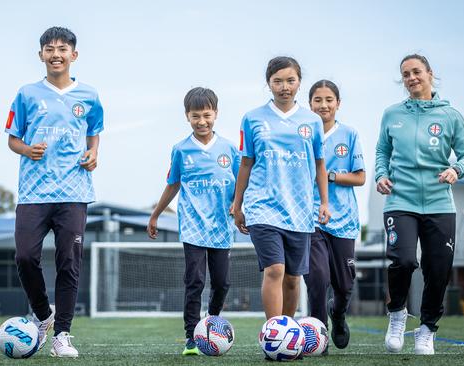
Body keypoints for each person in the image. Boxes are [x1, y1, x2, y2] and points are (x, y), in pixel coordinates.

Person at [5, 26, 103, 358]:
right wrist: (26, 149)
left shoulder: (88, 95)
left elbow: (94, 133)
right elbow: (12, 138)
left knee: (68, 263)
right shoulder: (26, 94)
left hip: (74, 192)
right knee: (25, 257)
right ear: (41, 55)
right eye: (49, 48)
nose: (56, 54)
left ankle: (62, 334)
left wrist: (93, 153)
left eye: (62, 48)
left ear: (74, 55)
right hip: (33, 192)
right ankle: (43, 314)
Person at [376, 54, 464, 355]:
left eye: (416, 72)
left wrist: (455, 170)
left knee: (438, 269)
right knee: (404, 260)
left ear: (430, 74)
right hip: (400, 200)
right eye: (405, 74)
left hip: (438, 203)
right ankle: (397, 314)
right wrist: (381, 174)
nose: (411, 78)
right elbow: (382, 151)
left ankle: (427, 328)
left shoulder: (451, 116)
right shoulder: (392, 114)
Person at [232, 56, 330, 324]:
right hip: (262, 206)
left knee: (292, 278)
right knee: (275, 269)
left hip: (299, 210)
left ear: (299, 83)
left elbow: (320, 164)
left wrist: (324, 202)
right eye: (277, 81)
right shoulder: (252, 119)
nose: (284, 86)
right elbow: (246, 162)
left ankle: (289, 332)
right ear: (268, 84)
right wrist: (237, 204)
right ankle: (274, 333)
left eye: (290, 80)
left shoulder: (312, 121)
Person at [148, 87, 239, 355]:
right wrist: (155, 214)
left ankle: (211, 323)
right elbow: (173, 184)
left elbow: (241, 183)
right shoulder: (181, 150)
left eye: (207, 115)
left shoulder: (230, 149)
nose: (202, 121)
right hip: (193, 227)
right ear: (187, 116)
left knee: (222, 282)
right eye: (195, 116)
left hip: (222, 228)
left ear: (216, 114)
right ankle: (191, 336)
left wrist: (239, 204)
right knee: (195, 281)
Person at [303, 80, 365, 350]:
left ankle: (337, 315)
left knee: (344, 285)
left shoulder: (349, 135)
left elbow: (360, 177)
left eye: (329, 99)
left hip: (344, 221)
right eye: (318, 100)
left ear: (338, 103)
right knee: (317, 277)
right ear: (310, 104)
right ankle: (319, 334)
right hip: (309, 218)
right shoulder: (302, 134)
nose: (323, 105)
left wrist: (328, 175)